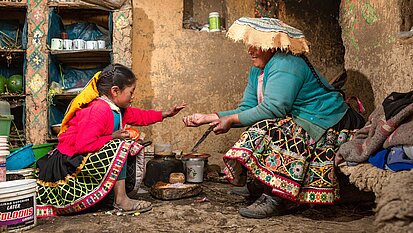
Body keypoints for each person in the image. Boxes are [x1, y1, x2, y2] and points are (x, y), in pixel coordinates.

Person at [183, 17, 365, 219]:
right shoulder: (257, 70)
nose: (250, 51)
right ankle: (261, 186)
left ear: (272, 45)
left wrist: (231, 120)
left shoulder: (286, 63)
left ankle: (278, 197)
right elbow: (248, 108)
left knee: (278, 132)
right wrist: (210, 117)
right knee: (263, 125)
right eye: (249, 45)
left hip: (329, 122)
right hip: (306, 119)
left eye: (256, 46)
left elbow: (274, 109)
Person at [36, 63, 186, 217]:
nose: (133, 97)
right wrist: (113, 137)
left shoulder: (117, 109)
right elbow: (83, 145)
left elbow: (141, 116)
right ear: (115, 91)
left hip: (80, 157)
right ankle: (121, 199)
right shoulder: (99, 110)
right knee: (121, 144)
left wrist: (165, 114)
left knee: (121, 142)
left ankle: (112, 196)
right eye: (131, 93)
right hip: (68, 164)